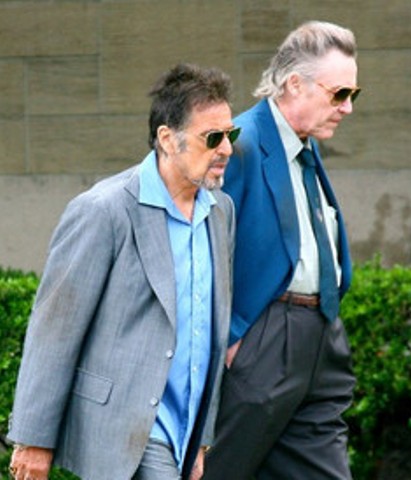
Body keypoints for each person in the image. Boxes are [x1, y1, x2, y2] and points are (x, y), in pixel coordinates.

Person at [7, 63, 239, 480]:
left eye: (230, 135)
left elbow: (210, 329)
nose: (226, 149)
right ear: (167, 139)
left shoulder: (221, 211)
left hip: (183, 433)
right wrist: (33, 440)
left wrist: (200, 439)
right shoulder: (104, 210)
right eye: (212, 138)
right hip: (123, 429)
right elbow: (55, 329)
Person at [203, 21, 360, 480]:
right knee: (216, 471)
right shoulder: (239, 143)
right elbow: (201, 247)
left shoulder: (304, 145)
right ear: (294, 84)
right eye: (339, 93)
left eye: (353, 94)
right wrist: (232, 338)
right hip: (264, 342)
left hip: (321, 337)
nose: (347, 107)